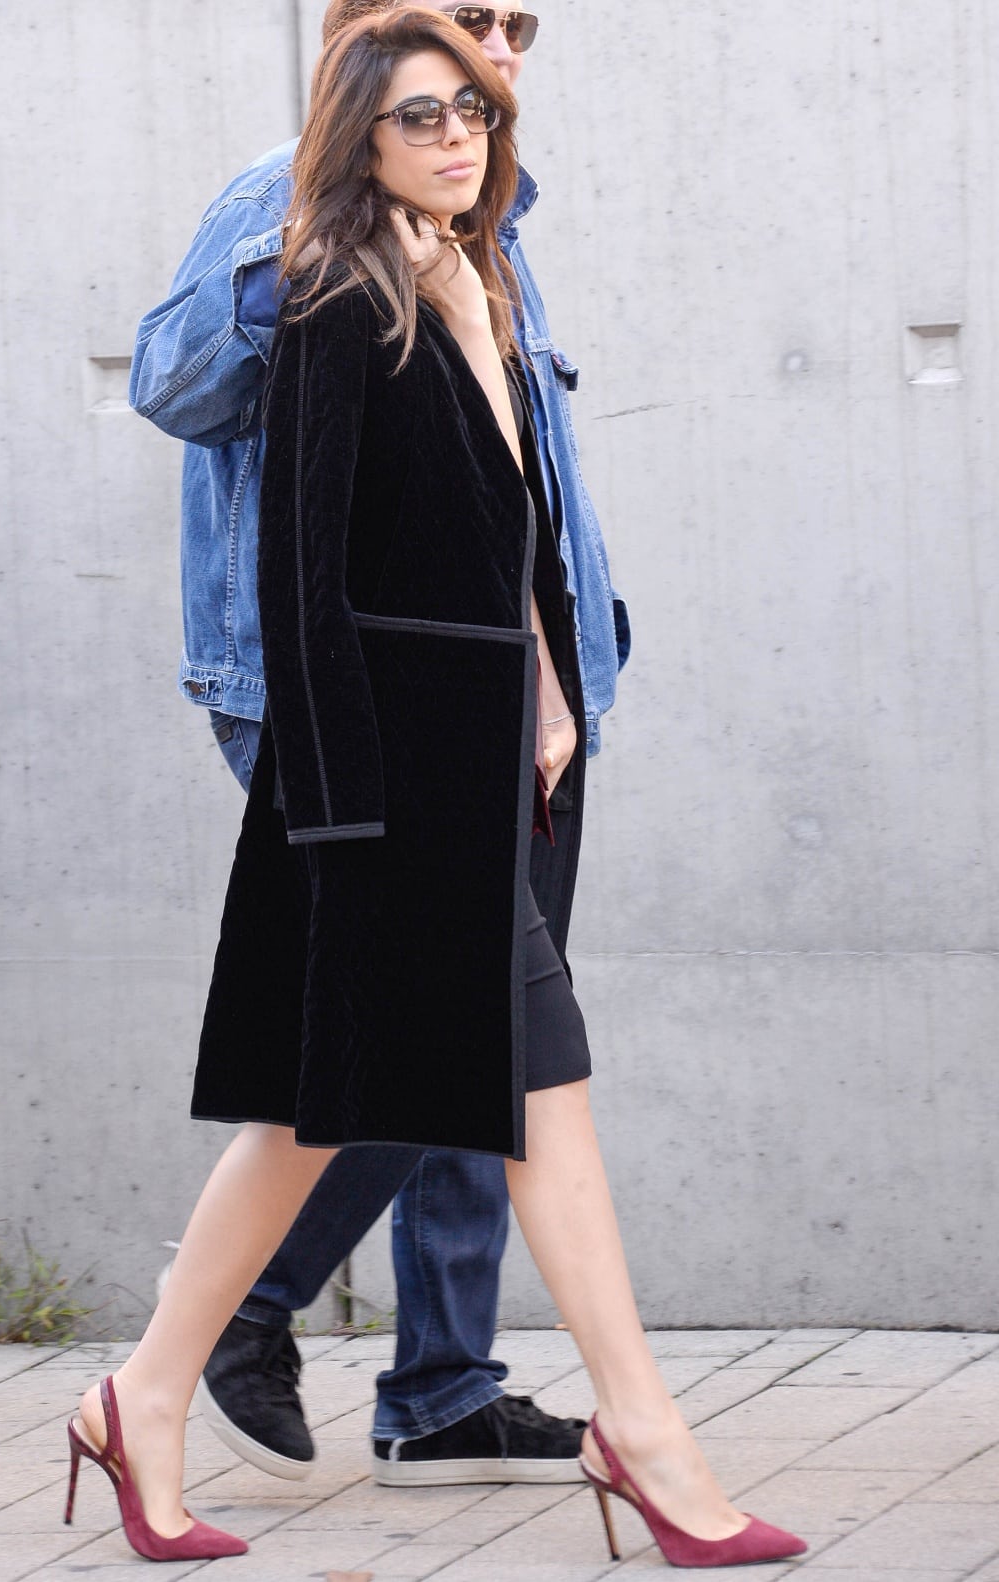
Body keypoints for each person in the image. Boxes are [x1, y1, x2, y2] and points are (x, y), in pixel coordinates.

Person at [70, 12, 806, 1569]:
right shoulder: (328, 285)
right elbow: (299, 568)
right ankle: (646, 1433)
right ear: (363, 128)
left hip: (489, 750)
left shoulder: (478, 275)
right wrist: (332, 803)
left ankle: (141, 1393)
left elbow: (514, 529)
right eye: (426, 110)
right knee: (504, 1090)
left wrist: (551, 698)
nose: (465, 127)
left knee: (344, 1110)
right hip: (387, 770)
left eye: (478, 103)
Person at [131, 0, 628, 1488]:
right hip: (367, 699)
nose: (496, 51)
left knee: (489, 1036)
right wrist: (315, 231)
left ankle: (439, 1378)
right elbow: (177, 385)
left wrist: (559, 669)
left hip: (525, 696)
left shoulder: (488, 217)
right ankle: (242, 1315)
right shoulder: (287, 195)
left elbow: (505, 488)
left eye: (513, 23)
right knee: (444, 1030)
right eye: (464, 23)